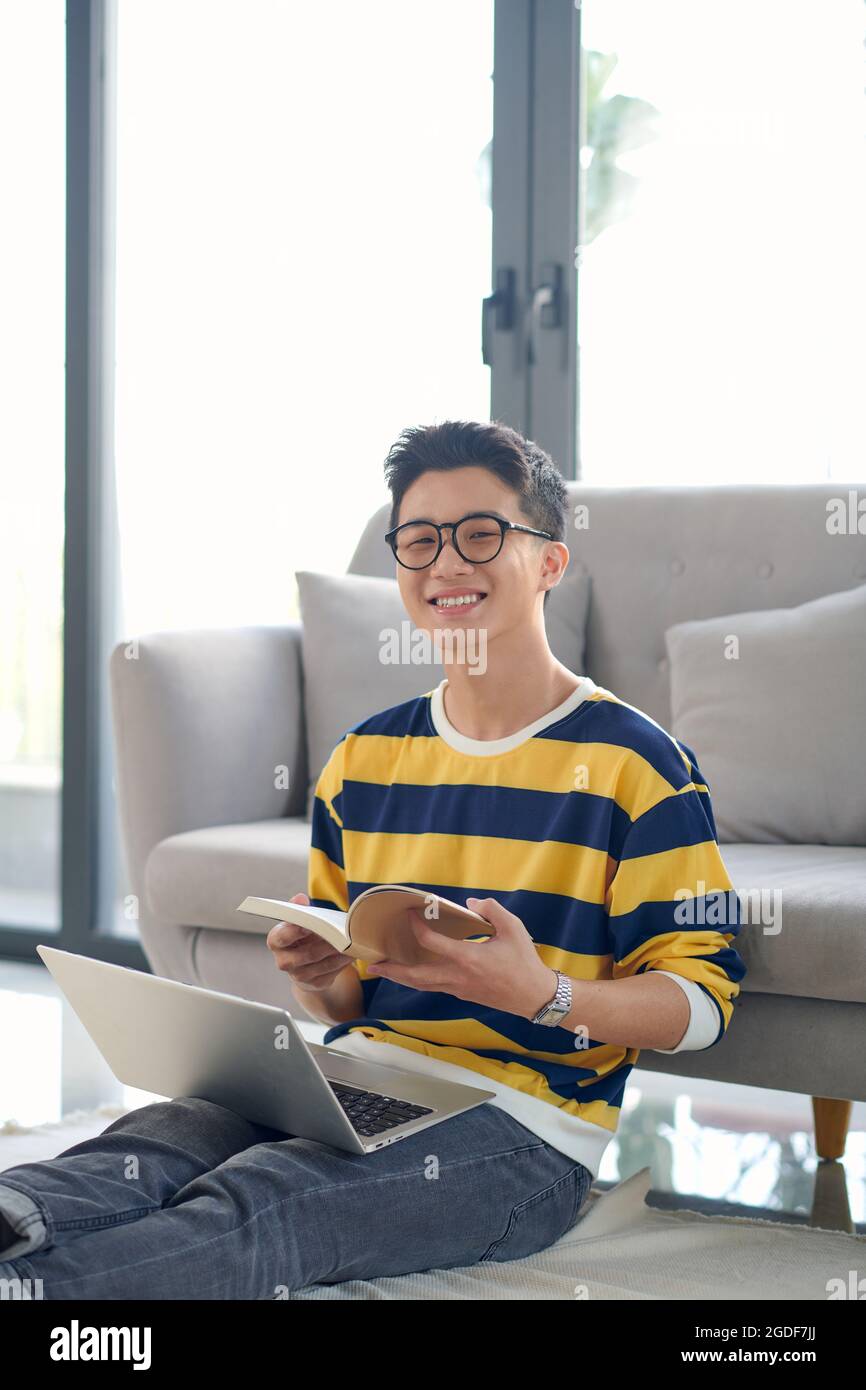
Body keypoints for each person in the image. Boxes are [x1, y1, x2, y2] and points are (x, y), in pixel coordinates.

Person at [0, 420, 745, 1300]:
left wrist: (540, 993)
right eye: (420, 540)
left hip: (524, 1134)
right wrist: (318, 978)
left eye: (482, 534)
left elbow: (702, 1004)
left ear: (550, 562)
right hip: (348, 1078)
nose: (446, 565)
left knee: (270, 1201)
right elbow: (350, 996)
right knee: (151, 1145)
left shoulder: (636, 764)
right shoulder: (365, 759)